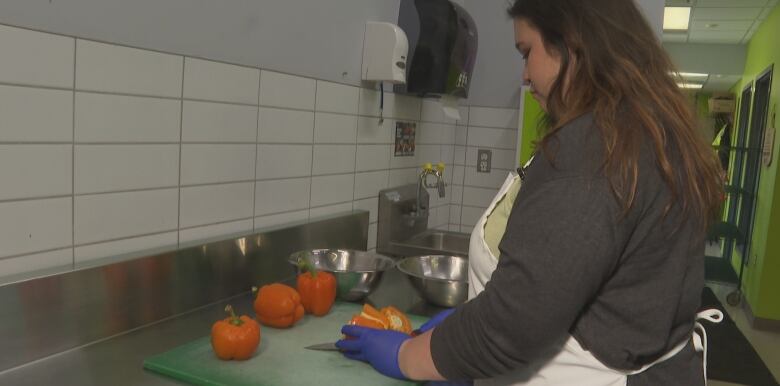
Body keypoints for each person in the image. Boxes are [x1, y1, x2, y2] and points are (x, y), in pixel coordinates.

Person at [336, 0, 726, 385]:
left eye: (527, 53)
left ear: (573, 42)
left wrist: (407, 356)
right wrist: (464, 327)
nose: (523, 75)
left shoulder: (594, 151)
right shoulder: (651, 133)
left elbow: (510, 326)